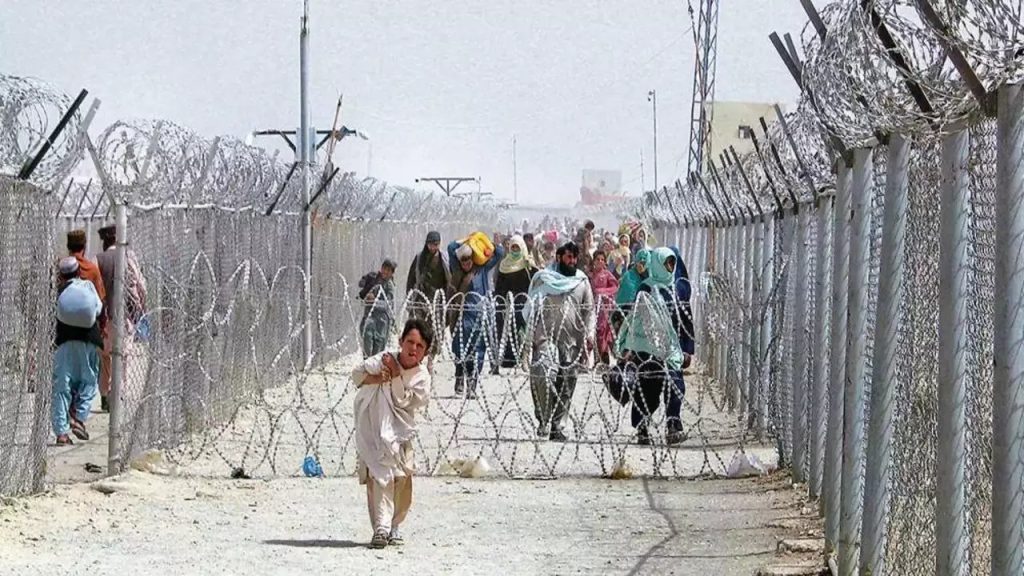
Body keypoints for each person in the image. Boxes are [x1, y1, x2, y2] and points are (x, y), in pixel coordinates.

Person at [353, 319, 433, 549]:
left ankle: (394, 524)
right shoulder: (385, 359)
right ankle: (381, 527)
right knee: (378, 478)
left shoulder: (421, 377)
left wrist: (396, 375)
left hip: (400, 434)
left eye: (420, 346)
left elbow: (404, 400)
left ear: (425, 352)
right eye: (410, 342)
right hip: (375, 431)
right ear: (401, 341)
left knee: (401, 480)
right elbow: (357, 375)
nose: (413, 349)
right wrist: (380, 377)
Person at [524, 241, 594, 442]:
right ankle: (544, 420)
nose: (572, 261)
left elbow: (588, 311)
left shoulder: (581, 282)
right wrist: (531, 338)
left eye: (574, 258)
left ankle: (557, 424)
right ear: (559, 258)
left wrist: (589, 335)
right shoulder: (545, 279)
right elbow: (531, 307)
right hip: (545, 338)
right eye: (568, 257)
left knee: (566, 383)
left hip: (572, 341)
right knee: (543, 377)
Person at [615, 247, 686, 445]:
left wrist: (688, 348)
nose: (671, 267)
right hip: (647, 347)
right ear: (657, 264)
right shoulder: (645, 287)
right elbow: (637, 317)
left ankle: (673, 424)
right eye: (667, 263)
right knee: (647, 390)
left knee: (675, 385)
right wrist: (631, 345)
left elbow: (685, 320)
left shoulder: (676, 287)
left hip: (671, 348)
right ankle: (642, 428)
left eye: (673, 263)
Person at [95, 224, 147, 412]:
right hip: (124, 316)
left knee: (105, 357)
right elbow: (140, 285)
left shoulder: (99, 259)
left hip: (103, 316)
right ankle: (119, 392)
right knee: (123, 357)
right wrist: (141, 308)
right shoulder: (128, 257)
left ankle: (104, 393)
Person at [52, 257, 104, 445]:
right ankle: (80, 418)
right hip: (89, 340)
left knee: (61, 387)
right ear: (78, 272)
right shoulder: (88, 287)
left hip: (64, 341)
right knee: (89, 381)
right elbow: (98, 309)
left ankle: (61, 433)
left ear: (61, 275)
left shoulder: (58, 291)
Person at [447, 239, 504, 398]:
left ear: (474, 259)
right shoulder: (457, 270)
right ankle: (459, 378)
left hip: (479, 317)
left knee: (478, 351)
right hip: (462, 317)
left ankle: (472, 385)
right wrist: (467, 240)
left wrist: (486, 243)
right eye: (463, 262)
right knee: (459, 349)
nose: (466, 264)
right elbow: (451, 247)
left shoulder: (482, 270)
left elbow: (499, 253)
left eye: (469, 261)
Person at [494, 235, 534, 369]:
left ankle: (525, 356)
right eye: (513, 247)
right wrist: (499, 300)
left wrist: (531, 267)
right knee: (507, 328)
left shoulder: (527, 263)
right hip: (508, 301)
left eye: (518, 247)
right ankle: (509, 359)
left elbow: (535, 280)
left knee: (523, 328)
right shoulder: (504, 265)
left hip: (524, 300)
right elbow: (499, 285)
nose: (515, 249)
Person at [405, 231, 450, 331]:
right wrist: (410, 297)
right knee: (416, 328)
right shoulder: (420, 258)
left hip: (437, 301)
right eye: (430, 244)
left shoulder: (444, 259)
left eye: (436, 245)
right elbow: (411, 279)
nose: (433, 248)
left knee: (435, 332)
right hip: (420, 299)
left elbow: (448, 281)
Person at [359, 259, 397, 358]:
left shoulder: (389, 286)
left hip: (382, 321)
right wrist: (365, 284)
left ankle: (374, 369)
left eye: (388, 270)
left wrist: (374, 301)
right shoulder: (374, 277)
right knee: (366, 338)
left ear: (392, 273)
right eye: (384, 268)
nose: (385, 272)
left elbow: (387, 304)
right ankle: (366, 364)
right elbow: (361, 283)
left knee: (378, 350)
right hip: (370, 317)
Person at [589, 250, 619, 365]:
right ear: (594, 261)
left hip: (604, 308)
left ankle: (604, 358)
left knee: (602, 331)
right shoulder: (590, 275)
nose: (600, 262)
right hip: (592, 307)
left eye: (602, 260)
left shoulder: (606, 274)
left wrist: (602, 292)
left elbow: (615, 286)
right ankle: (598, 358)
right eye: (598, 259)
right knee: (594, 332)